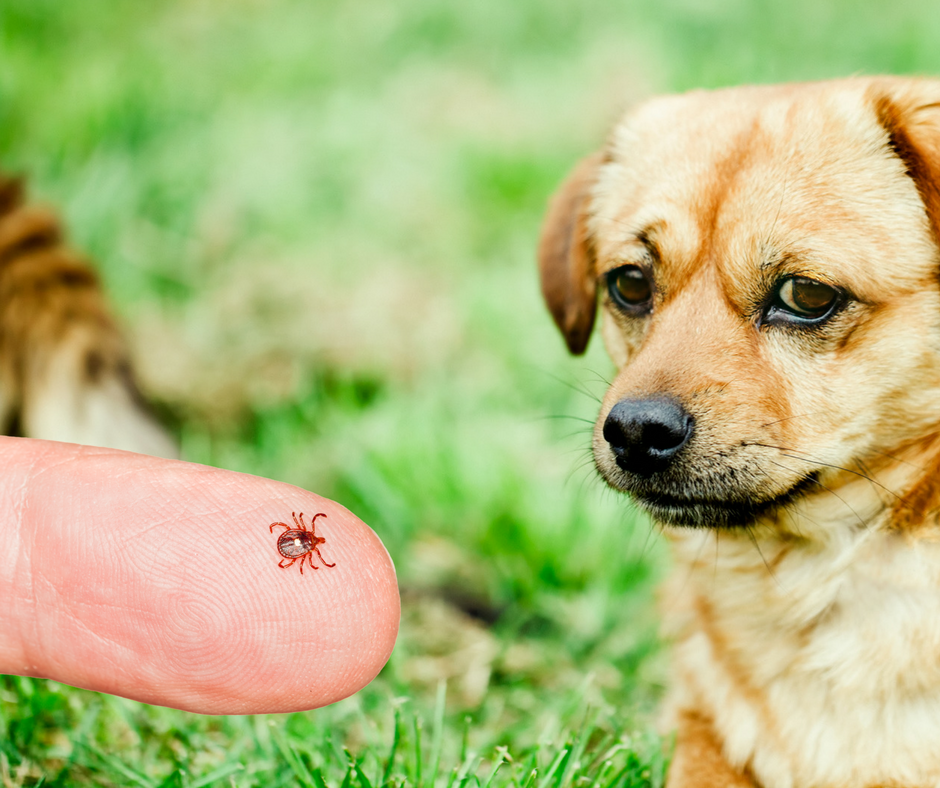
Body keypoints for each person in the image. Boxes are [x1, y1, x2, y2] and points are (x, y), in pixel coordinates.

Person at [0, 436, 400, 715]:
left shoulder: (299, 537)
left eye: (308, 539)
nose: (308, 539)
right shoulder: (302, 539)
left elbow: (289, 539)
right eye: (309, 536)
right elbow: (293, 543)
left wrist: (294, 547)